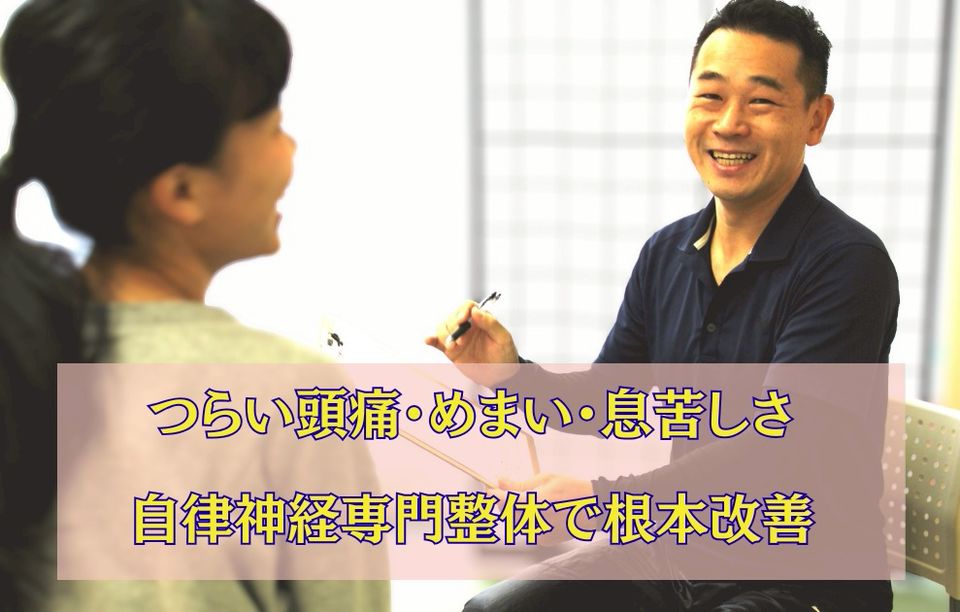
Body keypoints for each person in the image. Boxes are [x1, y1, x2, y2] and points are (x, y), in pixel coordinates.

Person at [427, 0, 899, 610]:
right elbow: (609, 398)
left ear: (816, 117)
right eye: (711, 96)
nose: (729, 123)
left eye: (761, 101)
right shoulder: (667, 253)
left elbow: (782, 448)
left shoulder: (848, 262)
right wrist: (511, 374)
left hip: (807, 578)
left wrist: (600, 497)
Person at [0, 1, 387, 610]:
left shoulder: (18, 353)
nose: (291, 151)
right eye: (273, 128)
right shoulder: (287, 396)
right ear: (182, 192)